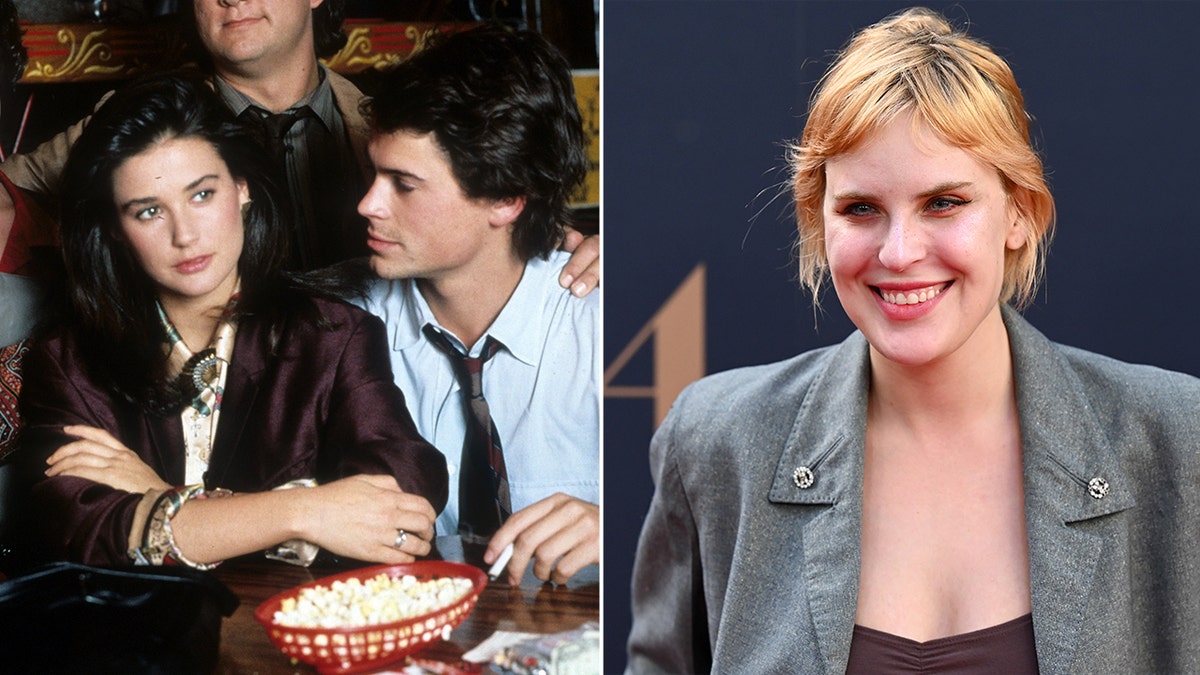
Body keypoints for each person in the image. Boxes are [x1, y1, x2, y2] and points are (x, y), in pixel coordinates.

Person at [625, 7, 1200, 674]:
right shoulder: (718, 441)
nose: (899, 252)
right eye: (861, 208)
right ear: (819, 222)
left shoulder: (1175, 440)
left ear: (1019, 212)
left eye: (944, 203)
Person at [8, 74, 448, 570]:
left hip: (291, 636)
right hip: (135, 640)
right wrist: (306, 511)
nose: (185, 235)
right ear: (114, 228)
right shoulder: (70, 362)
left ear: (241, 187)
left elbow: (401, 508)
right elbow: (74, 534)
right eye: (149, 211)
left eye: (201, 195)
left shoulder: (334, 336)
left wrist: (160, 496)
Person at [0, 0, 600, 292]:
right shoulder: (142, 124)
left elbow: (498, 218)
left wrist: (579, 248)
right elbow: (15, 201)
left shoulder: (390, 129)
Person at [356, 25, 599, 586]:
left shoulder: (609, 327)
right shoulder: (341, 331)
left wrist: (625, 529)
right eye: (374, 173)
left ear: (506, 198)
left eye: (404, 184)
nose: (367, 203)